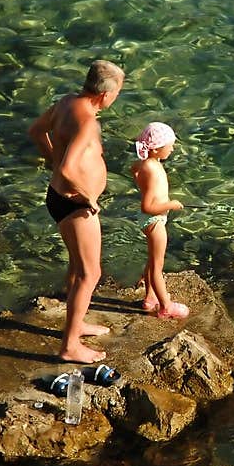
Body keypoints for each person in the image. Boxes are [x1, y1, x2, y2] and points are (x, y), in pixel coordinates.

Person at [28, 59, 125, 363]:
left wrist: (51, 161)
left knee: (76, 266)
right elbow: (70, 167)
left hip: (57, 197)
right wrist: (88, 198)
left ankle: (77, 323)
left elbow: (35, 130)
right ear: (106, 95)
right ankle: (69, 345)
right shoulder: (87, 121)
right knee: (90, 272)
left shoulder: (66, 103)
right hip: (75, 204)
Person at [131, 122, 190, 319]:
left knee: (152, 260)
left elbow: (135, 169)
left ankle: (149, 299)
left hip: (151, 220)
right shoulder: (152, 169)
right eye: (170, 145)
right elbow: (147, 207)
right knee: (157, 266)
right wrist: (170, 205)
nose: (172, 148)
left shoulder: (146, 165)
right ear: (156, 149)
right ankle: (166, 306)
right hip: (154, 220)